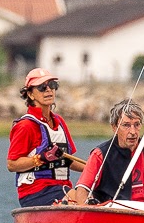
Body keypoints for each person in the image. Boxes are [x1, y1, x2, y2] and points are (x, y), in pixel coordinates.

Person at [65, 99, 144, 205]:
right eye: (126, 125)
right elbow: (82, 189)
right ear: (114, 127)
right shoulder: (101, 154)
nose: (133, 132)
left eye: (137, 125)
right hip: (113, 213)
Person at [7, 68, 86, 207]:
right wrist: (41, 158)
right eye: (42, 87)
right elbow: (12, 164)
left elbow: (68, 160)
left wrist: (94, 168)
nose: (49, 90)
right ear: (30, 94)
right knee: (79, 200)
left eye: (52, 86)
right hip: (35, 192)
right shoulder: (25, 126)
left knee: (93, 196)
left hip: (61, 189)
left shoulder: (59, 122)